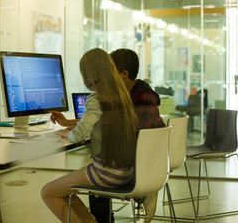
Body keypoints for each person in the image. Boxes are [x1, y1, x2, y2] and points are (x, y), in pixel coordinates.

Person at [41, 48, 138, 223]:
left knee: (48, 192)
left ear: (89, 76)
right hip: (126, 171)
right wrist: (67, 123)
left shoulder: (96, 98)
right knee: (64, 192)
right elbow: (100, 122)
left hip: (107, 173)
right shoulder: (122, 95)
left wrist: (67, 136)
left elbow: (79, 135)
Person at [89, 48, 165, 223]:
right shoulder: (130, 94)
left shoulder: (143, 95)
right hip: (139, 160)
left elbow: (136, 131)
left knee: (96, 182)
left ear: (123, 74)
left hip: (141, 165)